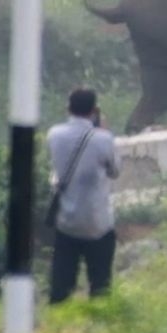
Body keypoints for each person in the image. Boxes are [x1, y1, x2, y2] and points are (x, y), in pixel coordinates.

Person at [47, 88, 120, 303]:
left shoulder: (54, 134)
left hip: (66, 222)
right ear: (95, 110)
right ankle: (99, 315)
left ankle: (58, 317)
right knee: (100, 285)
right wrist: (102, 129)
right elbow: (115, 171)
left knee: (61, 286)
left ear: (67, 108)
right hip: (98, 223)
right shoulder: (103, 139)